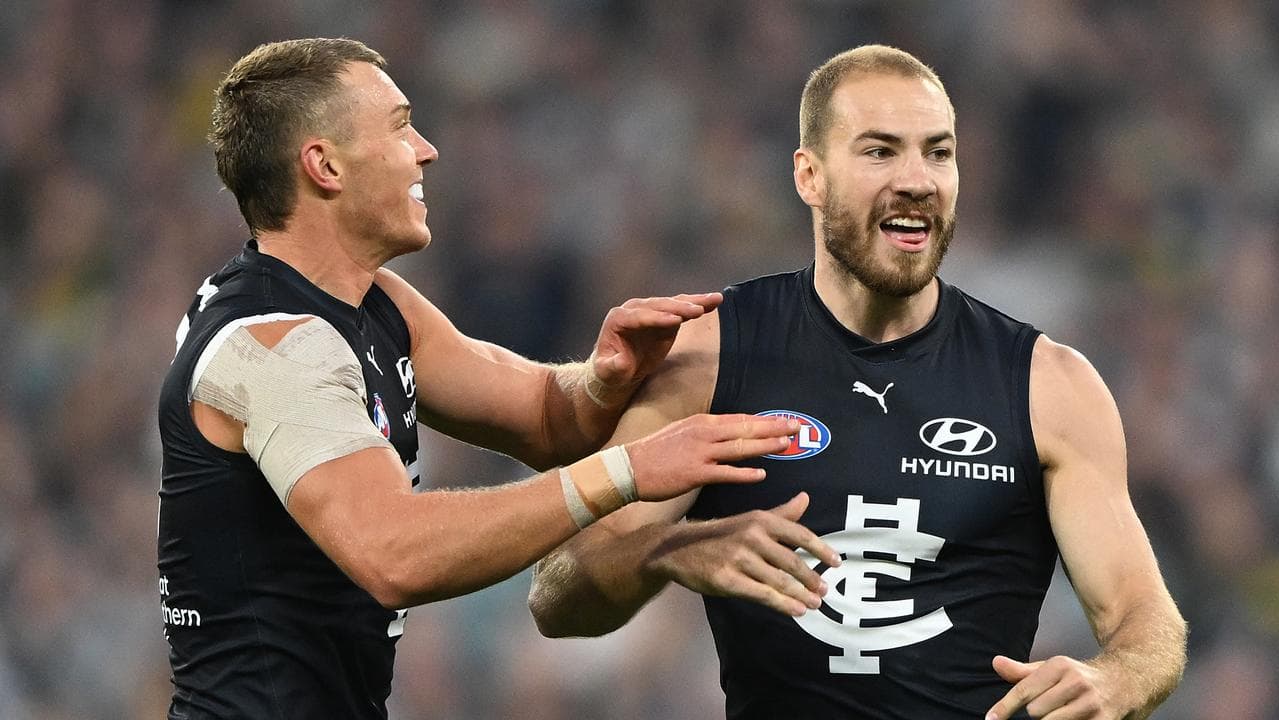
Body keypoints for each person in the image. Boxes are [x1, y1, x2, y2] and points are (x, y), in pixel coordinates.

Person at [528, 45, 1187, 719]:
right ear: (810, 176)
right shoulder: (712, 357)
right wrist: (670, 549)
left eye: (938, 153)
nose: (917, 180)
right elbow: (556, 596)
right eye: (880, 152)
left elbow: (1146, 618)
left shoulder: (1048, 386)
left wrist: (1117, 678)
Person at [156, 38, 807, 719]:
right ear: (325, 166)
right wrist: (629, 471)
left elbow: (542, 418)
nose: (426, 150)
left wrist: (603, 381)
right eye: (400, 127)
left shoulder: (374, 304)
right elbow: (394, 553)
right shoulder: (273, 345)